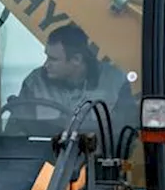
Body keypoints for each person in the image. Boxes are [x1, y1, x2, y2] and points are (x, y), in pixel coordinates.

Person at [8, 23, 137, 131]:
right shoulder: (35, 82)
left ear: (76, 59)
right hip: (46, 158)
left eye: (53, 59)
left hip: (97, 159)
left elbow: (127, 135)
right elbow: (15, 134)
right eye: (47, 56)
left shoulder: (115, 82)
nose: (46, 65)